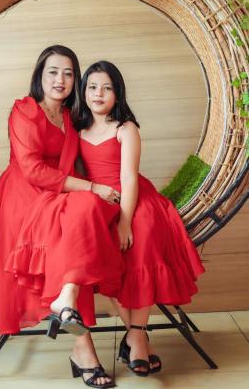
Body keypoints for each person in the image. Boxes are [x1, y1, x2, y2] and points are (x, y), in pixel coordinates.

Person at [0, 46, 123, 388]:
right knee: (77, 223)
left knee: (82, 224)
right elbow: (31, 170)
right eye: (53, 72)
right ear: (40, 75)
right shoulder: (24, 111)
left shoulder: (73, 116)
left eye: (69, 73)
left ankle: (68, 303)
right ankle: (83, 349)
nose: (61, 80)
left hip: (59, 193)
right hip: (25, 197)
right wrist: (91, 187)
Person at [78, 60, 205, 377]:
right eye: (92, 87)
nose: (99, 93)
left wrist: (124, 221)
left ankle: (135, 336)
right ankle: (138, 338)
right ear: (83, 92)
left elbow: (129, 179)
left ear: (118, 94)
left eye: (107, 88)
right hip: (96, 200)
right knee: (103, 250)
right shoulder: (76, 129)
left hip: (132, 197)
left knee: (142, 236)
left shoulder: (125, 129)